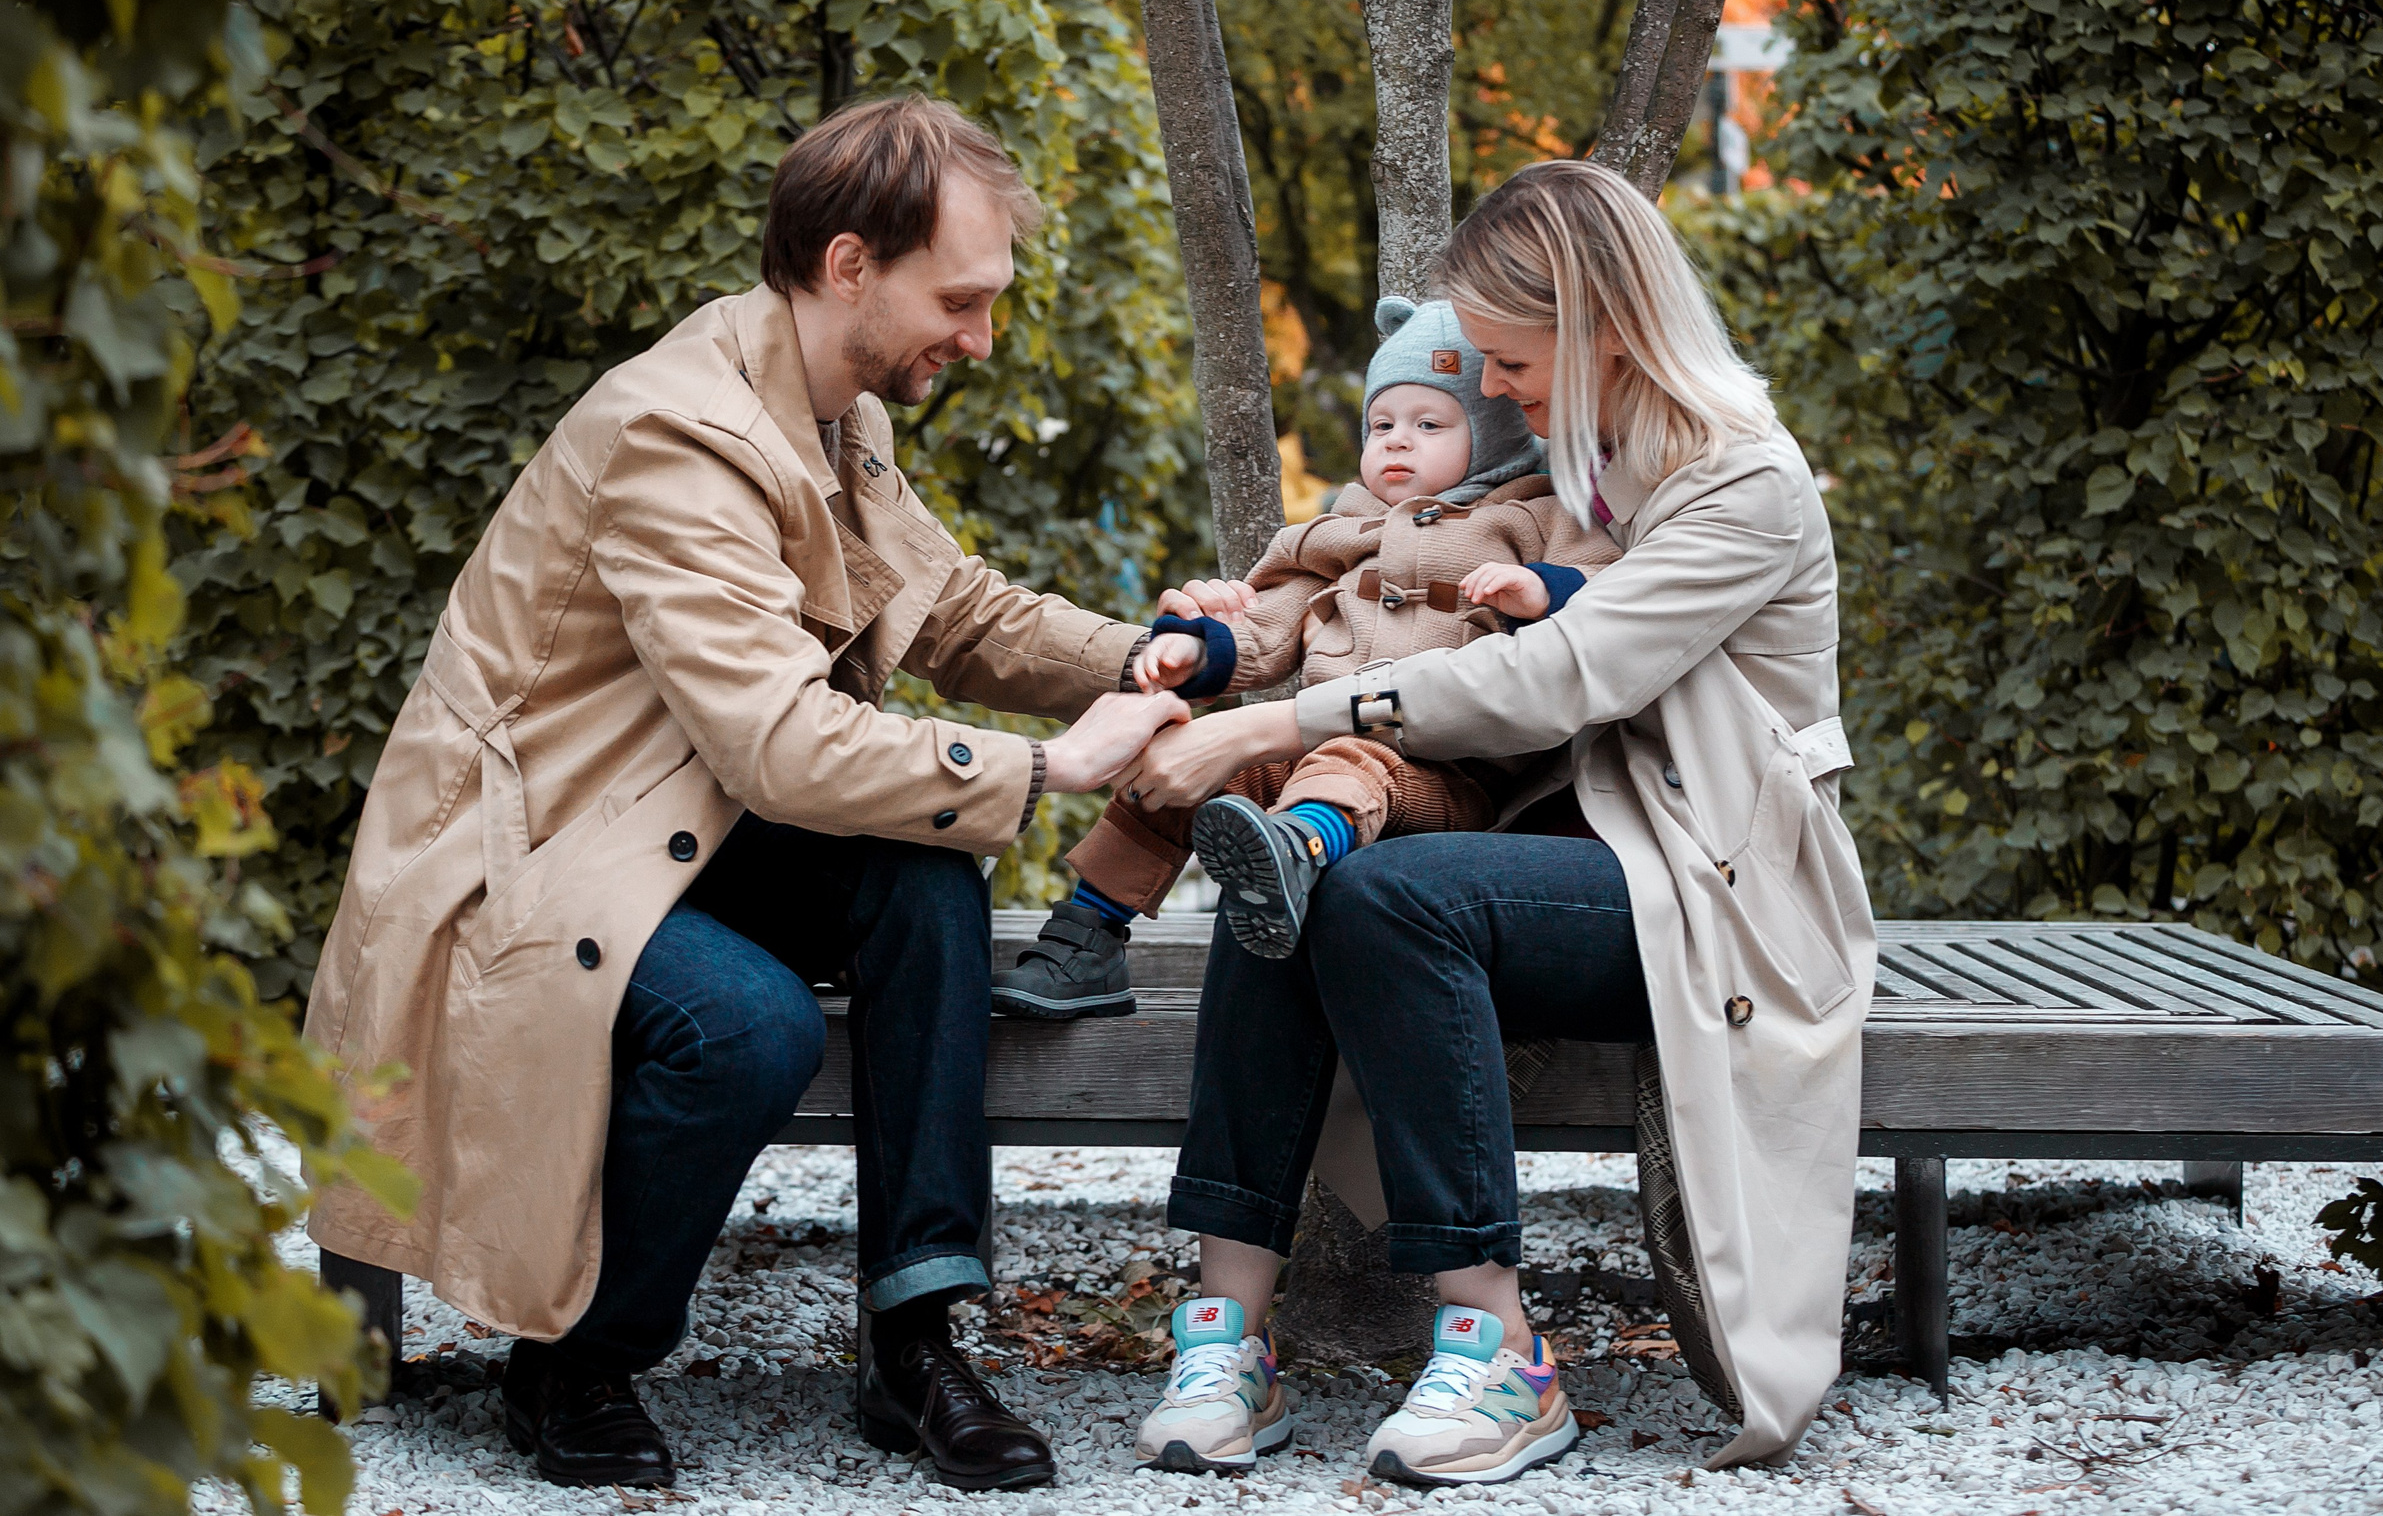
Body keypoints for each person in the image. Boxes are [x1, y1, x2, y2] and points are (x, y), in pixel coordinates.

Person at [300, 96, 1199, 1494]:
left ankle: (917, 1336)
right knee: (743, 1025)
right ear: (851, 266)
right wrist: (1044, 765)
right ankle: (580, 1357)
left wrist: (1136, 655)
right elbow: (778, 745)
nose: (978, 334)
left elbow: (949, 605)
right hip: (528, 849)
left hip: (673, 817)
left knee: (919, 878)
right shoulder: (680, 433)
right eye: (958, 300)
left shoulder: (833, 409)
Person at [1120, 159, 1877, 1485]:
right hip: (1573, 847)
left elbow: (1554, 676)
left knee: (1383, 887)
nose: (1499, 390)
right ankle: (1226, 1330)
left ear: (1606, 332)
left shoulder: (1741, 488)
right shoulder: (1590, 482)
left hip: (1711, 887)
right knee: (1282, 865)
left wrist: (1283, 720)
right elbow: (1385, 590)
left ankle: (1501, 1349)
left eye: (1513, 359)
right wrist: (1238, 630)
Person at [990, 297, 1619, 1018]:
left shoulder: (1535, 517)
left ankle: (1288, 856)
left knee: (1345, 764)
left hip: (1443, 773)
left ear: (1497, 433)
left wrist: (1542, 590)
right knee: (1184, 761)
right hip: (1312, 742)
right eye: (1382, 424)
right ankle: (1089, 936)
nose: (1397, 443)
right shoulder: (1338, 531)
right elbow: (1269, 620)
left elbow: (1610, 597)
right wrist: (1193, 649)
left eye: (1429, 424)